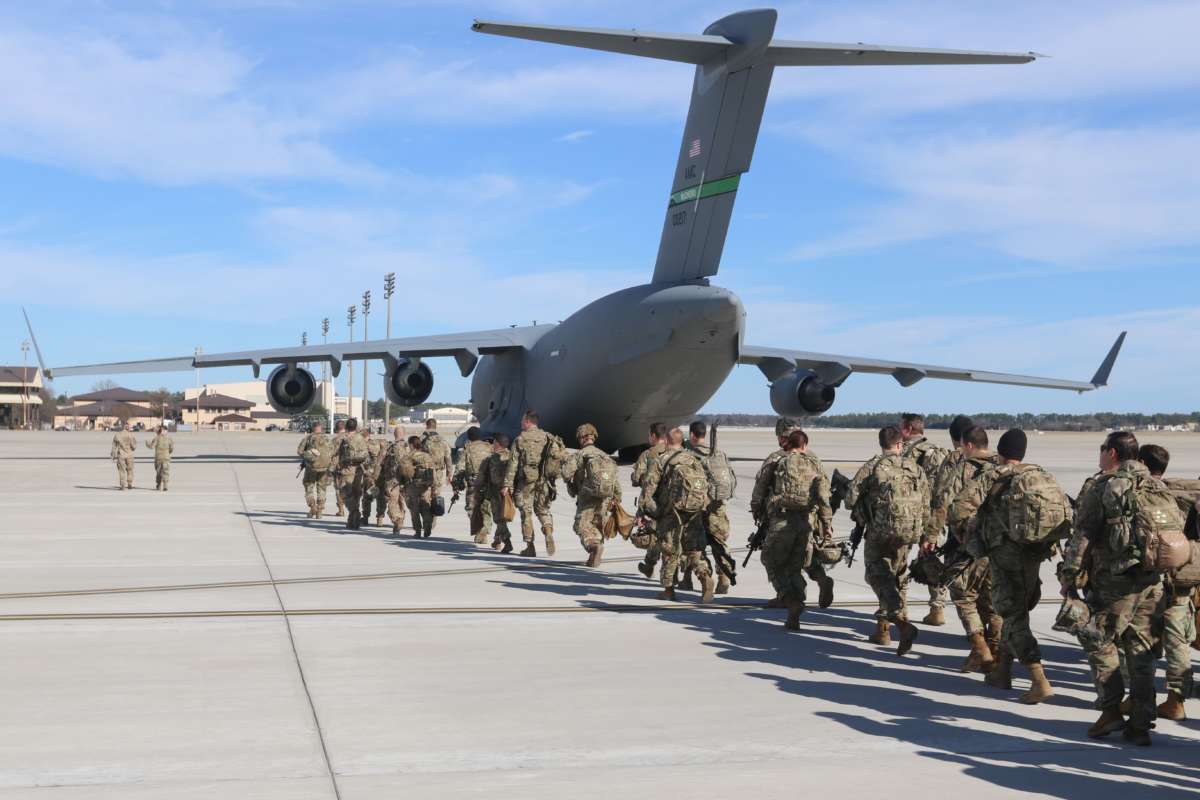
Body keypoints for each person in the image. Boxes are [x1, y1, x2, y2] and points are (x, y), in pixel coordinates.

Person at [1062, 431, 1169, 745]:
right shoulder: (1157, 485)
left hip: (1115, 582)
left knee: (1096, 638)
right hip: (1152, 582)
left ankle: (1110, 710)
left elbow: (1082, 536)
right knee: (1143, 653)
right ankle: (1141, 724)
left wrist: (1070, 577)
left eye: (1102, 450)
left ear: (1111, 453)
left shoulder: (1105, 486)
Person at [848, 425, 929, 656]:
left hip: (880, 533)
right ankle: (883, 629)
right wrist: (924, 535)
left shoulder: (873, 466)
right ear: (900, 444)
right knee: (898, 576)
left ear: (882, 444)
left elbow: (850, 497)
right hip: (909, 533)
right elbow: (926, 501)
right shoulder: (914, 467)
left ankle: (900, 623)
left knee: (876, 574)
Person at [751, 429, 831, 629]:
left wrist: (757, 510)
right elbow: (824, 496)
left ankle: (791, 601)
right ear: (805, 445)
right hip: (806, 522)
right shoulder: (814, 462)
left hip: (781, 520)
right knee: (796, 565)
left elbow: (760, 487)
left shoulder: (778, 460)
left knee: (771, 561)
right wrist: (827, 524)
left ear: (786, 442)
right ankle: (794, 612)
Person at [1138, 444, 1195, 722]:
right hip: (1185, 574)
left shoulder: (1146, 495)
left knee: (1140, 638)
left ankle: (1138, 699)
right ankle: (1176, 699)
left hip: (1155, 578)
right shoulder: (1183, 495)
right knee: (1178, 639)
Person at [943, 425, 1003, 673]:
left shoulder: (964, 469)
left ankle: (979, 646)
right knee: (992, 599)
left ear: (968, 445)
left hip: (970, 544)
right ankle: (995, 650)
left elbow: (944, 505)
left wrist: (931, 535)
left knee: (961, 592)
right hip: (1001, 546)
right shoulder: (1005, 469)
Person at [638, 427, 713, 602]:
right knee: (694, 549)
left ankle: (668, 590)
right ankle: (704, 577)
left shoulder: (661, 460)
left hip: (671, 514)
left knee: (669, 551)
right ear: (682, 441)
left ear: (666, 440)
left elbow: (647, 491)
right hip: (693, 512)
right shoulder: (694, 459)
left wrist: (650, 512)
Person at [900, 412, 950, 626]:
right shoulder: (938, 451)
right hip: (935, 516)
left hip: (911, 515)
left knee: (899, 560)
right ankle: (937, 608)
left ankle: (898, 608)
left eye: (901, 427)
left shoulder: (907, 454)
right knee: (931, 561)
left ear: (908, 429)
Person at [686, 420, 737, 594]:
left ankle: (703, 578)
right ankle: (724, 578)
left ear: (693, 435)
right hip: (719, 507)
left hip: (699, 508)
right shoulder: (719, 454)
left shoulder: (691, 455)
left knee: (694, 545)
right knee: (719, 543)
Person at [561, 423, 621, 567]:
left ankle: (593, 547)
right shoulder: (605, 456)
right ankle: (593, 557)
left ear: (582, 438)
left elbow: (565, 473)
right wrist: (617, 497)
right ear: (593, 437)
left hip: (587, 495)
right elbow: (614, 480)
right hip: (605, 496)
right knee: (597, 524)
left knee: (581, 525)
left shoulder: (580, 454)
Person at [508, 410, 562, 557]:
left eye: (522, 421)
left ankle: (530, 546)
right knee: (543, 510)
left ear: (527, 421)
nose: (520, 423)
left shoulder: (520, 439)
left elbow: (513, 464)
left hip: (526, 481)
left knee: (526, 513)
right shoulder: (548, 437)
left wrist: (507, 485)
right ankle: (548, 531)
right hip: (544, 480)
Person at [632, 422, 668, 579]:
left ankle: (652, 566)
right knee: (669, 537)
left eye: (649, 435)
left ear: (654, 436)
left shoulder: (647, 454)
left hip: (653, 503)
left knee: (654, 535)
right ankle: (649, 565)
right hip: (672, 502)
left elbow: (636, 478)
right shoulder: (674, 452)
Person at [475, 433, 515, 553]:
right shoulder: (512, 456)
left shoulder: (492, 459)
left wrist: (477, 489)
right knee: (502, 516)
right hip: (511, 491)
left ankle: (507, 542)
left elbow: (482, 476)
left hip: (497, 491)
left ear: (497, 444)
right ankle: (497, 541)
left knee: (499, 518)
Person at [453, 427, 493, 544]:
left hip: (473, 484)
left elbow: (460, 469)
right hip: (488, 482)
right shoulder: (489, 448)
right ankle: (485, 530)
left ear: (469, 437)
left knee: (473, 509)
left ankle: (480, 531)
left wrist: (457, 485)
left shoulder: (467, 450)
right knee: (486, 508)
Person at [335, 418, 369, 530]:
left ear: (346, 427)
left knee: (346, 494)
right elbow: (366, 454)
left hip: (348, 470)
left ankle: (354, 513)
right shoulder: (361, 438)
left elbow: (334, 452)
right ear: (356, 427)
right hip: (358, 471)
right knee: (355, 495)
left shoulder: (343, 438)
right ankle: (352, 521)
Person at [421, 419, 453, 532]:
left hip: (426, 472)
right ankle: (433, 519)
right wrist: (449, 474)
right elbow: (448, 458)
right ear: (436, 426)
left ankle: (427, 521)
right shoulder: (443, 441)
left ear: (427, 426)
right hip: (439, 473)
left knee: (425, 497)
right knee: (436, 497)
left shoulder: (423, 440)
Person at [297, 422, 332, 517]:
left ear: (313, 429)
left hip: (311, 468)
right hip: (324, 468)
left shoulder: (308, 438)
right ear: (321, 429)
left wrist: (308, 456)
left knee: (309, 487)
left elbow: (300, 451)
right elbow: (332, 452)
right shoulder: (327, 439)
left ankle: (313, 507)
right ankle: (320, 511)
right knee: (322, 488)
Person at [405, 435, 436, 538]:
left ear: (411, 445)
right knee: (426, 507)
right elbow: (433, 472)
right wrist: (433, 487)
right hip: (426, 485)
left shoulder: (409, 456)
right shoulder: (427, 456)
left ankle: (418, 531)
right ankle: (427, 528)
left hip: (413, 485)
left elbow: (403, 471)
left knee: (414, 509)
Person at [382, 425, 409, 534]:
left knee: (392, 501)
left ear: (394, 434)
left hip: (392, 478)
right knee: (402, 500)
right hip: (406, 478)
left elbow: (382, 461)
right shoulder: (409, 446)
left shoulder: (390, 447)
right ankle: (401, 519)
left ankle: (397, 519)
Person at [360, 428, 386, 526]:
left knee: (367, 496)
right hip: (380, 474)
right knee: (380, 497)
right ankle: (380, 518)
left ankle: (365, 517)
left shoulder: (363, 446)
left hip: (369, 475)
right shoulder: (378, 443)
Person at [144, 425, 174, 491]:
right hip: (166, 458)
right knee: (165, 472)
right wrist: (167, 453)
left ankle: (159, 485)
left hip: (158, 458)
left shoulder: (157, 438)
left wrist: (147, 444)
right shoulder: (169, 439)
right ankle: (165, 485)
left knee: (158, 472)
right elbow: (171, 449)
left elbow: (151, 446)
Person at [110, 422, 138, 490]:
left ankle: (123, 485)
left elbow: (114, 446)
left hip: (121, 455)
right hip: (129, 455)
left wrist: (113, 455)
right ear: (128, 427)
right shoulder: (131, 435)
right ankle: (130, 483)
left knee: (122, 470)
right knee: (130, 470)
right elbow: (134, 447)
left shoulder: (117, 435)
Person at [330, 419, 348, 516]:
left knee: (338, 489)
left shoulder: (335, 440)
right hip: (351, 468)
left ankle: (341, 509)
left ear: (337, 429)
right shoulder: (352, 437)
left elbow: (331, 454)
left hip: (339, 468)